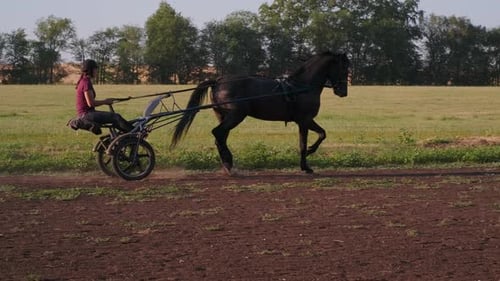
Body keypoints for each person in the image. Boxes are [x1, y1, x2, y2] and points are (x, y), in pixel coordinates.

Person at [75, 59, 133, 132]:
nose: (96, 72)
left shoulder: (84, 81)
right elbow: (91, 103)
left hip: (86, 114)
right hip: (86, 115)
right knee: (115, 117)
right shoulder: (86, 82)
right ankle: (135, 134)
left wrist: (108, 100)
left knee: (115, 118)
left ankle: (127, 137)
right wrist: (105, 101)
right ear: (91, 70)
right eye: (96, 69)